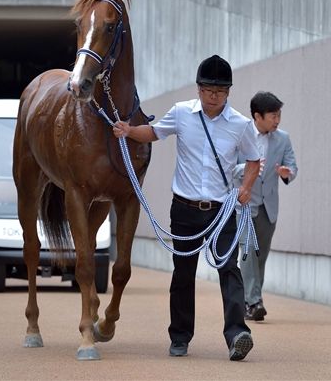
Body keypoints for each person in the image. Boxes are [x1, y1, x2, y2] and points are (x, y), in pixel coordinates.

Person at [113, 55, 261, 361]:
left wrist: (245, 188)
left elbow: (253, 159)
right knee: (183, 273)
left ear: (229, 92)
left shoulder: (241, 124)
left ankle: (237, 334)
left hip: (222, 211)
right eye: (208, 89)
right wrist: (128, 130)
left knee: (229, 269)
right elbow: (153, 132)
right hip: (184, 208)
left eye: (220, 90)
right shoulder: (182, 113)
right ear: (198, 89)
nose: (214, 95)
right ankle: (180, 336)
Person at [235, 91, 297, 322]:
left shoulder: (283, 138)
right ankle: (254, 301)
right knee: (248, 251)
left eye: (279, 115)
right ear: (257, 116)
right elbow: (230, 166)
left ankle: (249, 302)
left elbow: (293, 167)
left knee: (260, 256)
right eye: (273, 116)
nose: (277, 120)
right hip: (244, 204)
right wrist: (246, 170)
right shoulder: (241, 135)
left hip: (268, 206)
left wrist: (286, 173)